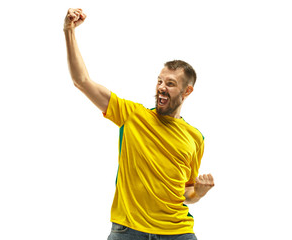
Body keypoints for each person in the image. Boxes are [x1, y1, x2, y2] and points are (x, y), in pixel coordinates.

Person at [64, 8, 214, 240]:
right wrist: (69, 32)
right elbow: (81, 81)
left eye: (171, 83)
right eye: (160, 81)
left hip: (177, 231)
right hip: (129, 230)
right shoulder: (132, 115)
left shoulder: (195, 138)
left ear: (187, 91)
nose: (161, 87)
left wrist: (199, 193)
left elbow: (186, 192)